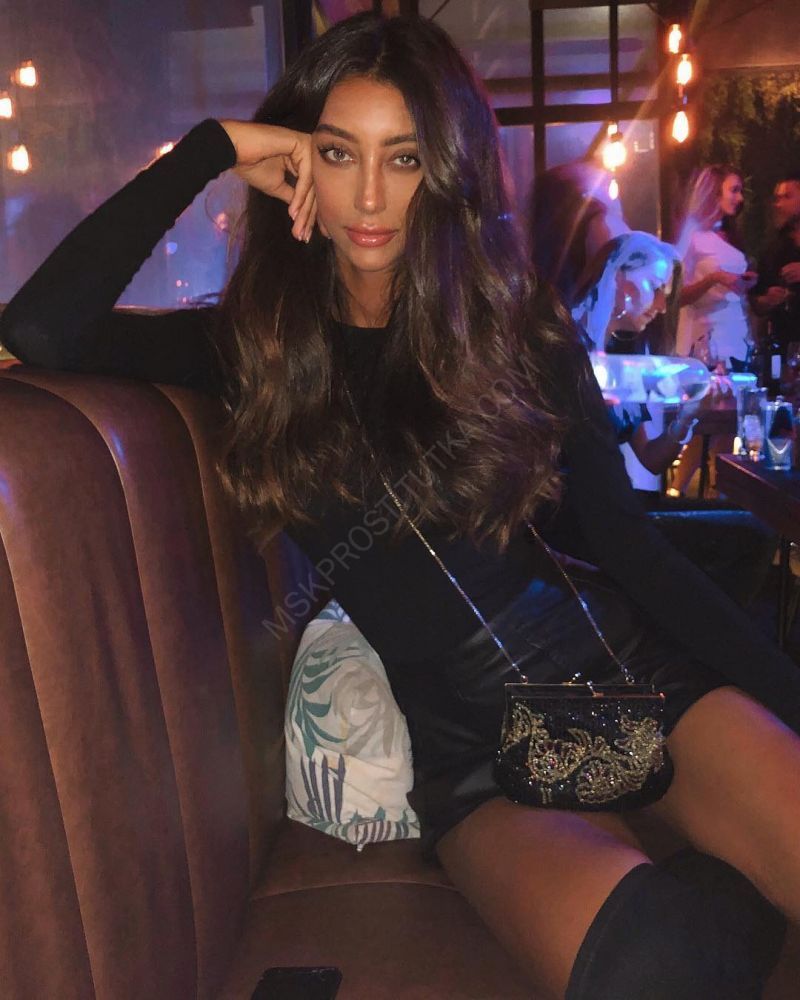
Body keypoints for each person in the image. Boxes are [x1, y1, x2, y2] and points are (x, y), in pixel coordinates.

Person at [0, 14, 798, 1000]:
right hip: (477, 753)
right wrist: (211, 149)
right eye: (339, 154)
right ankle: (723, 888)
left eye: (404, 157)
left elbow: (637, 556)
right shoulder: (253, 350)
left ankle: (724, 864)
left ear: (447, 170)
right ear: (300, 163)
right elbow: (41, 328)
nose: (371, 197)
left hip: (632, 682)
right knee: (650, 972)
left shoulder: (515, 326)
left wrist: (784, 701)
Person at [676, 164, 757, 368]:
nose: (740, 198)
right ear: (714, 192)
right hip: (704, 340)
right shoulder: (692, 236)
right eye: (734, 190)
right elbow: (677, 297)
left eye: (741, 191)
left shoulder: (730, 235)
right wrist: (714, 278)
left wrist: (745, 283)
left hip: (736, 336)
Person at [751, 172, 800, 354]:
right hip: (784, 348)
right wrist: (767, 300)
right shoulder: (773, 247)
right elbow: (757, 303)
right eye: (777, 198)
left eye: (787, 197)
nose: (778, 205)